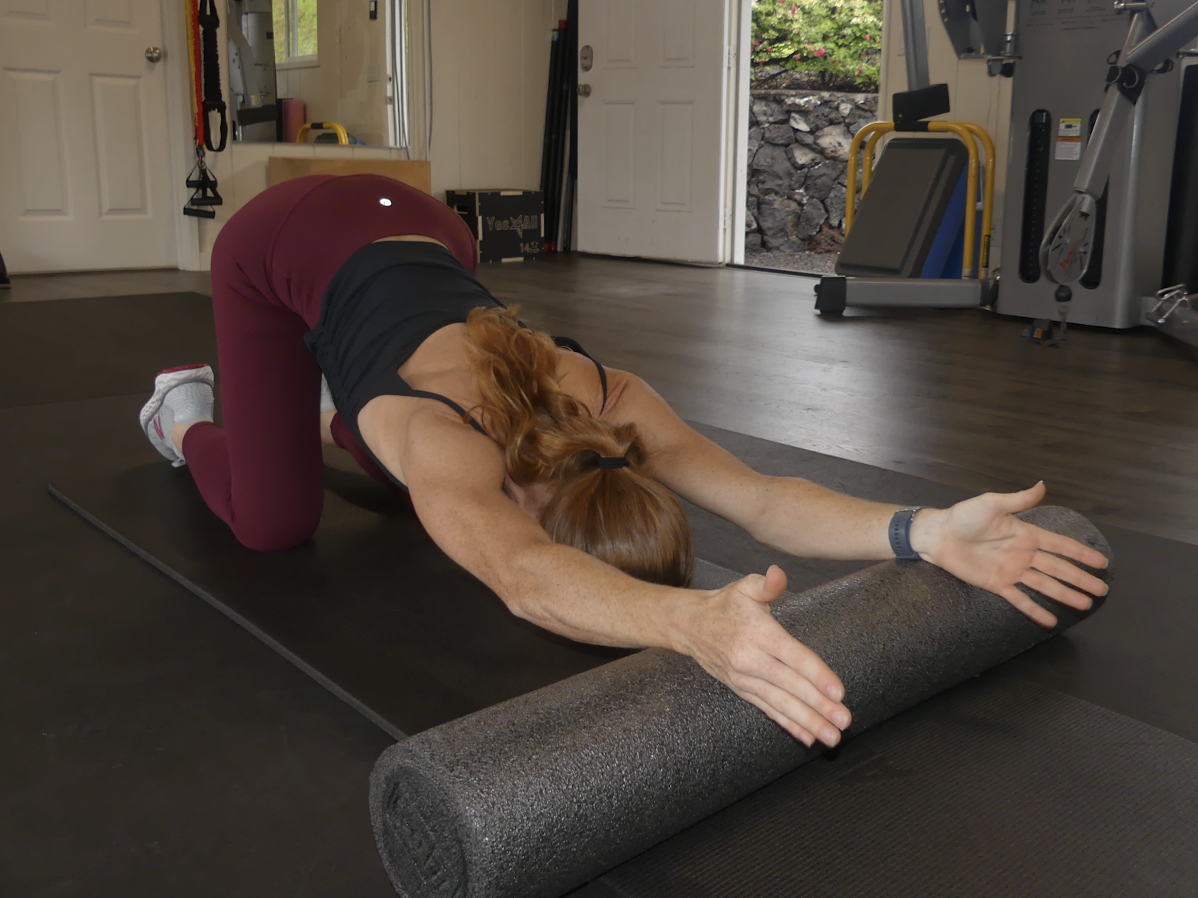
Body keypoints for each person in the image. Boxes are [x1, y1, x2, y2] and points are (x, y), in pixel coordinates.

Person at [139, 174, 1109, 751]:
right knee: (276, 523)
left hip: (429, 226)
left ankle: (325, 402)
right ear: (547, 514)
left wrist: (928, 530)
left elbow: (764, 501)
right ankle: (184, 410)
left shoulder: (613, 403)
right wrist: (692, 624)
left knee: (411, 493)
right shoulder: (442, 438)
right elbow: (521, 574)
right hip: (281, 238)